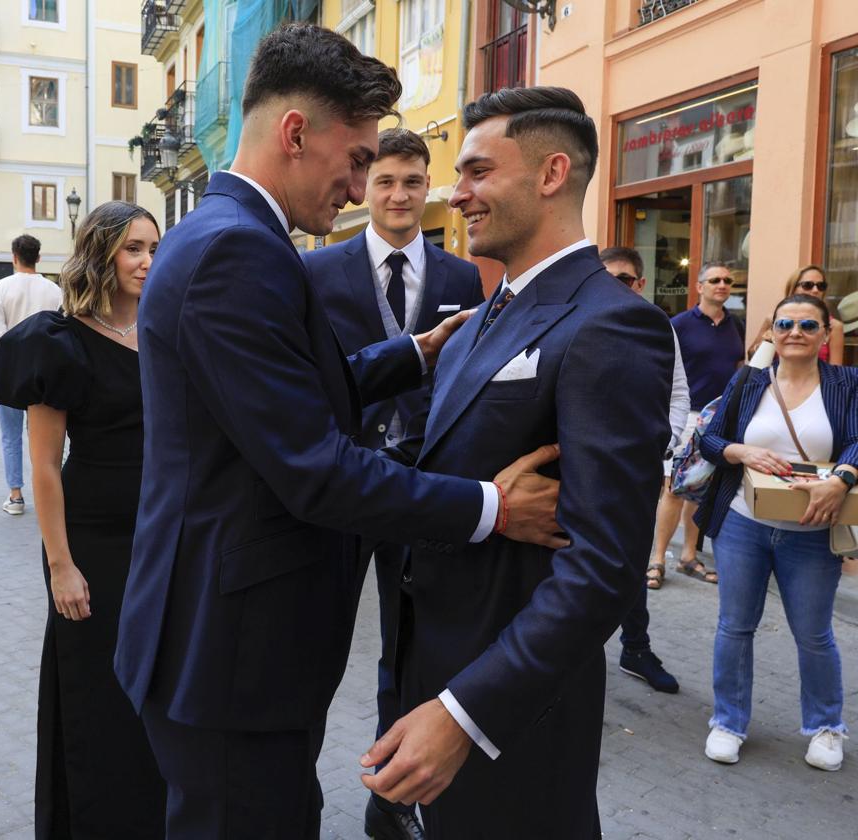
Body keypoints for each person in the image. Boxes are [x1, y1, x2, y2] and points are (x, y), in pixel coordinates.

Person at [115, 25, 562, 839]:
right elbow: (314, 467)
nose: (359, 189)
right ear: (295, 134)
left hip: (223, 649)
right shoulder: (235, 254)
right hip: (228, 660)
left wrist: (412, 355)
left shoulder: (228, 236)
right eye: (357, 160)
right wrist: (491, 508)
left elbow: (279, 401)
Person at [360, 87, 674, 838]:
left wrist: (467, 714)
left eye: (475, 172)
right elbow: (428, 462)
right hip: (427, 666)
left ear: (551, 172)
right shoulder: (471, 327)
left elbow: (604, 568)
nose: (455, 193)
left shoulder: (613, 324)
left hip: (512, 707)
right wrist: (486, 502)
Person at [304, 127, 484, 840]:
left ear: (427, 185)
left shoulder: (463, 278)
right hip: (345, 487)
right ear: (365, 189)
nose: (400, 195)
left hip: (427, 492)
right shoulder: (318, 273)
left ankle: (388, 795)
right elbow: (316, 381)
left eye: (413, 181)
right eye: (385, 181)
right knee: (315, 637)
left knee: (408, 649)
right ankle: (296, 782)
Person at [0, 201, 166, 839]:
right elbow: (43, 467)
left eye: (153, 247)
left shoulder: (167, 328)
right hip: (90, 542)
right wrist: (61, 565)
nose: (147, 261)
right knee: (96, 691)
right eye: (132, 249)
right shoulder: (58, 341)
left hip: (161, 538)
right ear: (101, 254)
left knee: (155, 686)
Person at [695, 293, 854, 771]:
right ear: (772, 331)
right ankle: (728, 722)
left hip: (812, 530)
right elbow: (709, 438)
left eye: (808, 326)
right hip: (743, 523)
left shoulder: (847, 383)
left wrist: (841, 478)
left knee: (813, 633)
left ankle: (826, 727)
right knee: (735, 627)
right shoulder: (749, 381)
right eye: (785, 323)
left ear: (826, 335)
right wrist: (741, 453)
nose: (795, 333)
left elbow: (857, 440)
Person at [600, 246, 688, 694]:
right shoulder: (580, 320)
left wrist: (662, 446)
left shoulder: (658, 328)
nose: (616, 286)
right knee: (574, 563)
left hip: (637, 470)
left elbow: (677, 394)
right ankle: (571, 657)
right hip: (583, 469)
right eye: (606, 277)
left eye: (625, 279)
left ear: (639, 284)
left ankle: (636, 648)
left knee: (632, 563)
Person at [649, 262, 745, 588]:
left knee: (701, 491)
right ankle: (657, 559)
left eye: (727, 281)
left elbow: (738, 366)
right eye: (714, 280)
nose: (722, 284)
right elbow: (662, 371)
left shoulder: (737, 325)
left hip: (719, 418)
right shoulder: (679, 324)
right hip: (687, 416)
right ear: (699, 286)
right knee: (674, 490)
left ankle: (689, 556)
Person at [0, 234, 63, 516]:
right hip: (45, 370)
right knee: (46, 436)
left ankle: (16, 496)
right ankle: (50, 492)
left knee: (10, 435)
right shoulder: (55, 291)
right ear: (39, 258)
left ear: (14, 257)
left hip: (9, 370)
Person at [747, 266, 845, 365]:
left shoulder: (833, 326)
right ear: (793, 288)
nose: (816, 290)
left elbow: (836, 369)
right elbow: (751, 355)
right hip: (775, 379)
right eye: (808, 285)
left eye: (821, 286)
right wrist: (766, 343)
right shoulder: (773, 319)